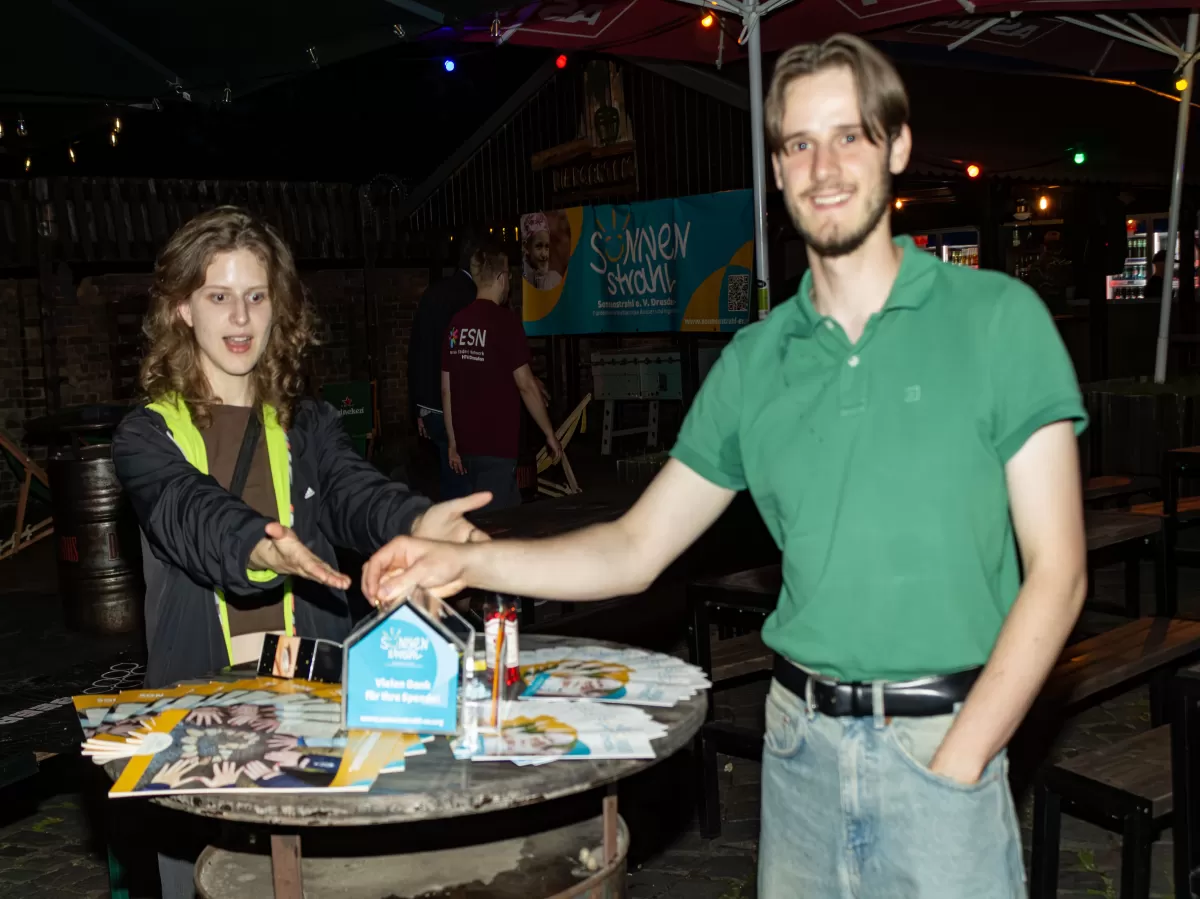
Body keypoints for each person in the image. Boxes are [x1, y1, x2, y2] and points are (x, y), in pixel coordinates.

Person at [362, 34, 1087, 898]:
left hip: (944, 740)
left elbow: (1060, 572)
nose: (824, 166)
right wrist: (468, 558)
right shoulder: (753, 362)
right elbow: (634, 546)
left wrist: (963, 758)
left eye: (849, 135)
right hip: (799, 751)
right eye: (798, 144)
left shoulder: (1000, 319)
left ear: (896, 145)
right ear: (777, 171)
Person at [111, 206, 489, 898]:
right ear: (181, 309)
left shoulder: (307, 424)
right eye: (218, 296)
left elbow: (356, 492)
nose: (240, 318)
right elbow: (188, 511)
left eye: (256, 296)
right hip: (204, 721)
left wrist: (418, 518)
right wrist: (262, 543)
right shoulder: (145, 437)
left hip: (309, 708)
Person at [441, 243, 562, 510]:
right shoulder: (505, 322)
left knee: (503, 519)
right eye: (508, 274)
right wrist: (549, 433)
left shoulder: (456, 324)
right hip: (496, 445)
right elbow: (526, 385)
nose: (509, 280)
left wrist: (452, 442)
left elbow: (447, 389)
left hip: (467, 446)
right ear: (500, 278)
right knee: (498, 528)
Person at [406, 244, 478, 499]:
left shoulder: (433, 293)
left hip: (430, 406)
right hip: (456, 406)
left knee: (451, 478)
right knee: (466, 484)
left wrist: (419, 407)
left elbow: (417, 351)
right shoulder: (471, 297)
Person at [521, 213, 563, 290]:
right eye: (538, 246)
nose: (544, 254)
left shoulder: (555, 279)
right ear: (526, 247)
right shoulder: (523, 280)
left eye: (547, 247)